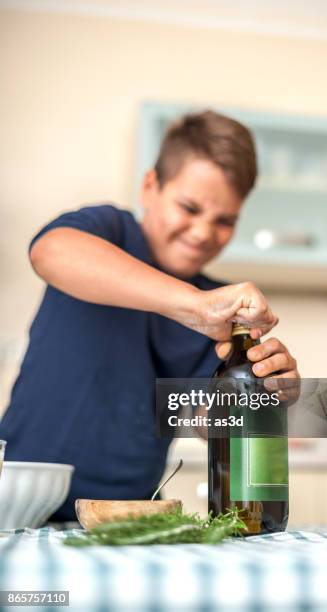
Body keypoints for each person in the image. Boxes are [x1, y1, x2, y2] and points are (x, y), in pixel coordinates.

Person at [0, 111, 299, 521]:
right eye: (189, 207)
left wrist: (259, 400)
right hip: (16, 501)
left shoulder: (221, 315)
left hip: (128, 516)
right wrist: (195, 305)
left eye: (224, 220)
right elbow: (49, 252)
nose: (202, 232)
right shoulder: (108, 231)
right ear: (149, 187)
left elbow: (207, 422)